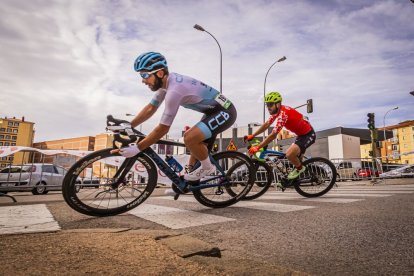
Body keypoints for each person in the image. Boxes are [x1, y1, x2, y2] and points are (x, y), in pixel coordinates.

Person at [114, 51, 237, 182]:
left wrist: (138, 148)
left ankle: (208, 167)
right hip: (212, 112)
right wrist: (129, 125)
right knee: (195, 151)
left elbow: (163, 129)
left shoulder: (174, 91)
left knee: (189, 138)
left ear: (160, 73)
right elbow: (150, 108)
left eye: (145, 75)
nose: (143, 80)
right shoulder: (165, 85)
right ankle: (184, 184)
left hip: (226, 111)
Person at [246, 91, 316, 180]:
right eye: (267, 105)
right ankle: (295, 179)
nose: (268, 107)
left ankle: (300, 168)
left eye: (270, 104)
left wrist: (258, 147)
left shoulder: (283, 113)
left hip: (308, 134)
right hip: (301, 135)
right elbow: (266, 124)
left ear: (278, 104)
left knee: (289, 155)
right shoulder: (277, 113)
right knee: (293, 158)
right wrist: (253, 135)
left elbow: (273, 135)